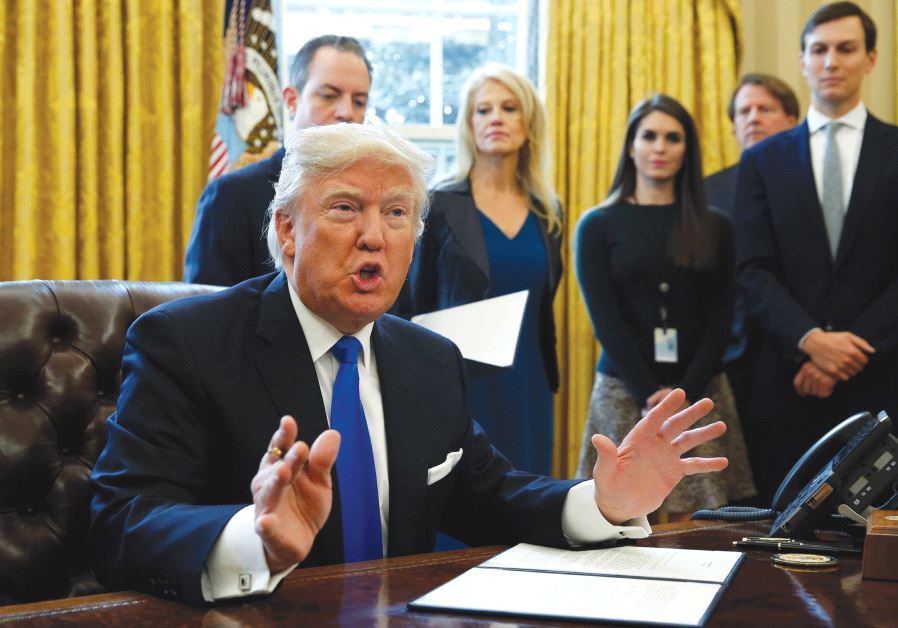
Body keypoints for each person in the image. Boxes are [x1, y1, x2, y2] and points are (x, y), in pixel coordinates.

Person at [90, 123, 730, 606]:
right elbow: (122, 521)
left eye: (397, 213)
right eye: (345, 208)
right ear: (286, 231)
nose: (376, 235)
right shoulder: (184, 342)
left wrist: (603, 502)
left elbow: (486, 493)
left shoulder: (429, 358)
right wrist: (252, 538)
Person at [734, 1, 898, 503]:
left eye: (845, 49)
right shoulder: (762, 160)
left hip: (879, 381)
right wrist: (808, 341)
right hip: (785, 382)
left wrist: (844, 352)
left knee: (871, 546)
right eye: (818, 50)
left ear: (870, 58)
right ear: (803, 61)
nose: (831, 61)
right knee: (776, 540)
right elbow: (751, 269)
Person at [574, 95, 756, 518]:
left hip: (701, 388)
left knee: (701, 522)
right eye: (649, 136)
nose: (659, 147)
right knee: (615, 516)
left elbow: (720, 315)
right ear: (631, 146)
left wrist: (683, 394)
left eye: (672, 138)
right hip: (624, 389)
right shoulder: (597, 225)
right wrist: (647, 393)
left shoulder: (716, 225)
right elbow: (606, 321)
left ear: (687, 149)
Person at [399, 64, 561, 476]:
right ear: (469, 125)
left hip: (529, 383)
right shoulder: (439, 203)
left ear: (528, 122)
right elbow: (414, 301)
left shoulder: (548, 210)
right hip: (463, 382)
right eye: (483, 110)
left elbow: (545, 305)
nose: (496, 119)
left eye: (508, 108)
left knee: (528, 500)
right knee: (463, 505)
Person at [183, 35, 371, 286]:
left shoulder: (374, 200)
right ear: (292, 101)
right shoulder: (232, 195)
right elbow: (206, 312)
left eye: (359, 101)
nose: (347, 112)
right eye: (329, 95)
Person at [704, 74, 799, 425]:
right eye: (744, 111)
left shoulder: (807, 186)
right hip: (725, 361)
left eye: (765, 109)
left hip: (795, 358)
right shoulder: (708, 191)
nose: (753, 118)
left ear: (792, 120)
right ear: (733, 127)